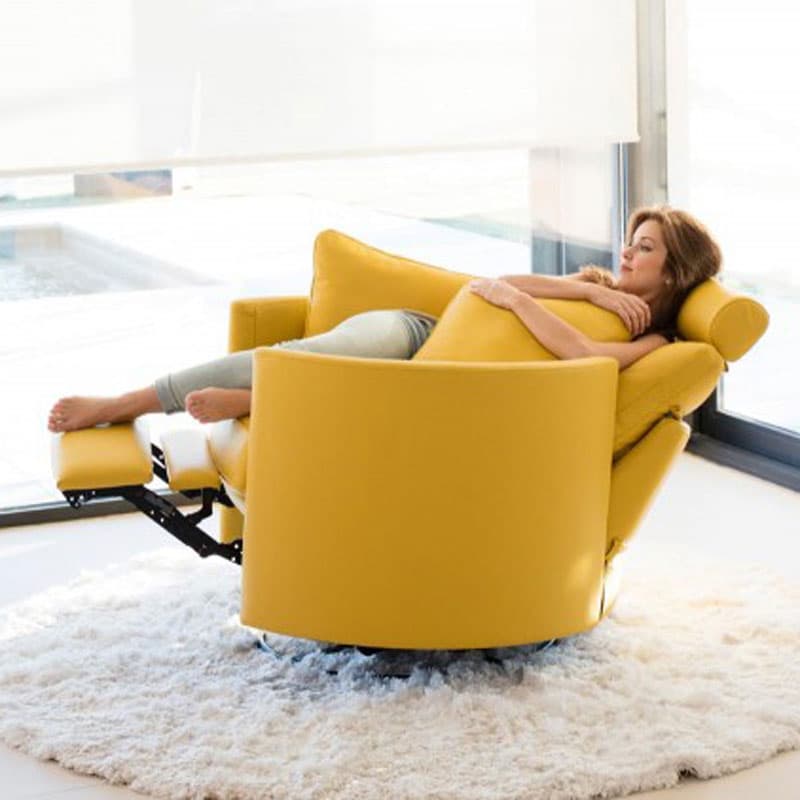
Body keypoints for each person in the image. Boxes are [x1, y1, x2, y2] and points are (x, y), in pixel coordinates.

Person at [47, 205, 722, 433]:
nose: (627, 254)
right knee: (300, 357)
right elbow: (492, 285)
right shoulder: (591, 286)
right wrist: (591, 294)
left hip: (443, 386)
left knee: (376, 402)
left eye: (645, 249)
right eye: (630, 241)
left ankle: (255, 400)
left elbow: (587, 359)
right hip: (415, 335)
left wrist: (521, 306)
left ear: (674, 272)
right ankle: (127, 403)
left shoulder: (655, 338)